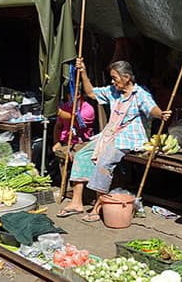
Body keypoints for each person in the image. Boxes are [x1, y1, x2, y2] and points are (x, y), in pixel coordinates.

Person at [57, 57, 171, 222]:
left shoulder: (140, 94)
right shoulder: (113, 91)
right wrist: (83, 73)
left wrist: (161, 114)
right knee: (82, 155)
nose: (113, 81)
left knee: (104, 162)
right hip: (109, 134)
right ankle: (76, 202)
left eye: (115, 78)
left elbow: (151, 109)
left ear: (127, 78)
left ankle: (98, 206)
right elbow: (91, 93)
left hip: (128, 138)